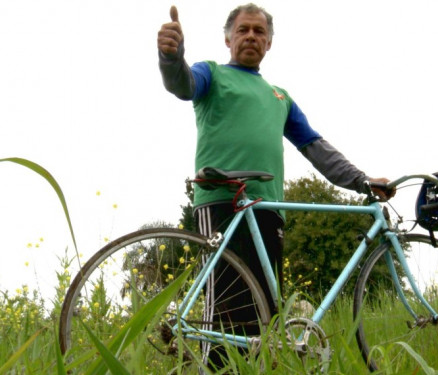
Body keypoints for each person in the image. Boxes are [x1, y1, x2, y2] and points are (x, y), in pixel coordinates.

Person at [157, 3, 393, 369]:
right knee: (224, 313)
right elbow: (183, 84)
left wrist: (361, 181)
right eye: (243, 30)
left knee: (263, 316)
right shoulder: (213, 74)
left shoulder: (279, 97)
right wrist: (171, 57)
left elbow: (316, 148)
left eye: (259, 31)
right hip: (223, 201)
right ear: (227, 38)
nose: (251, 36)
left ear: (269, 43)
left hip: (268, 209)